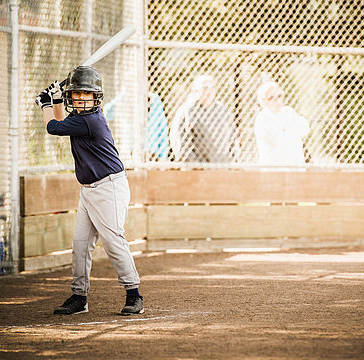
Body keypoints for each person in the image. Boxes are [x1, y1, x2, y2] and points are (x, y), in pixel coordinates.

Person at [35, 66, 143, 316]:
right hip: (89, 190)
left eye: (87, 95)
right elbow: (62, 123)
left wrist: (45, 104)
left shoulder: (90, 120)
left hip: (109, 188)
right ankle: (79, 297)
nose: (82, 99)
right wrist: (57, 101)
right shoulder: (78, 120)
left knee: (113, 241)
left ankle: (134, 295)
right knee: (81, 244)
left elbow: (53, 127)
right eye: (77, 95)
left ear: (96, 97)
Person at [169, 75, 240, 163]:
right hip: (196, 170)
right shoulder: (186, 111)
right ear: (195, 91)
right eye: (205, 88)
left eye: (212, 87)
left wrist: (232, 162)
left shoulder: (223, 111)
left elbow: (233, 139)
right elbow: (180, 142)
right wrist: (196, 166)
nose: (209, 91)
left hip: (222, 167)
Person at [254, 81, 310, 167]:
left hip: (295, 164)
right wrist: (294, 134)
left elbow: (305, 128)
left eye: (279, 96)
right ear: (263, 101)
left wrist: (287, 132)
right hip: (274, 167)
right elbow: (278, 140)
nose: (276, 100)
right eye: (271, 97)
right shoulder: (263, 118)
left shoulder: (288, 111)